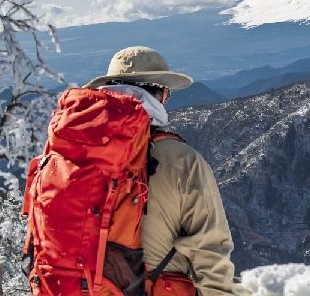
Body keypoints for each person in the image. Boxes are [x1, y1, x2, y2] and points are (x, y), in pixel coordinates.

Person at [84, 46, 237, 295]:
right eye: (166, 94)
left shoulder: (67, 156)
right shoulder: (182, 162)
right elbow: (211, 255)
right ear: (160, 94)